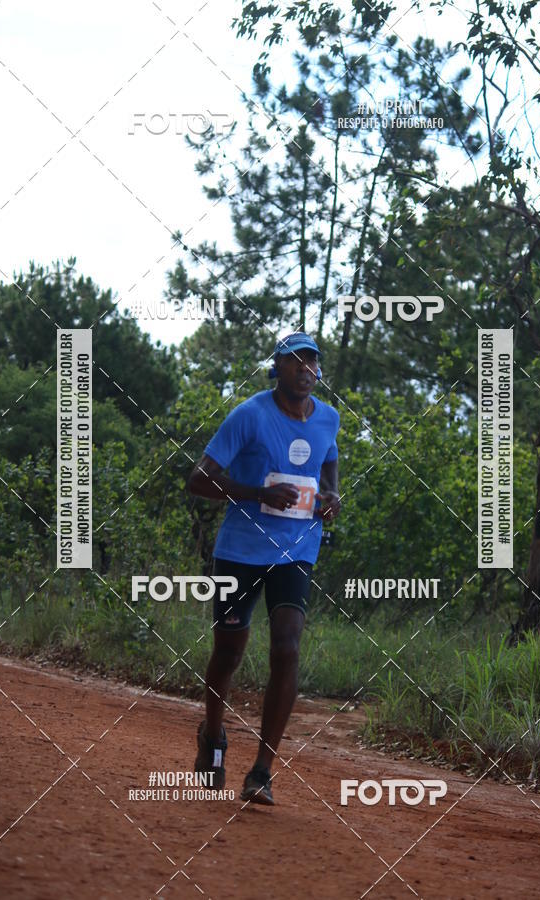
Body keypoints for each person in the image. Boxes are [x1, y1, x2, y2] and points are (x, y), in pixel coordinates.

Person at [188, 332, 341, 805]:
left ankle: (262, 770)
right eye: (294, 362)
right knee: (229, 652)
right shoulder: (249, 415)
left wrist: (331, 499)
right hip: (240, 550)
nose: (304, 369)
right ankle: (213, 735)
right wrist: (257, 494)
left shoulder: (329, 419)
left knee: (287, 647)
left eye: (311, 362)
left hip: (296, 549)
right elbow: (199, 480)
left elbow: (329, 467)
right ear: (277, 368)